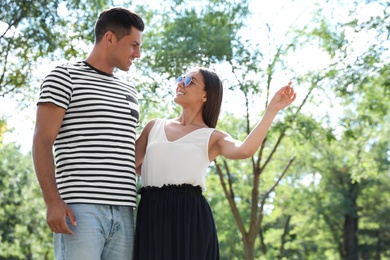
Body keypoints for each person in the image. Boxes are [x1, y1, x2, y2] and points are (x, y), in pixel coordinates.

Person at [133, 66, 297, 259]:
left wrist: (272, 110)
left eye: (189, 81)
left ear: (206, 96)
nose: (180, 83)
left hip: (190, 219)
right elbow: (129, 163)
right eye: (181, 78)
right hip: (151, 213)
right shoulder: (154, 126)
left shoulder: (212, 137)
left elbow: (245, 150)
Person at [32, 7, 144, 259]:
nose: (138, 54)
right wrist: (52, 202)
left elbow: (126, 150)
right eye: (133, 45)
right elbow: (42, 140)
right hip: (80, 209)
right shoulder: (64, 76)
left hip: (125, 211)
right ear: (110, 38)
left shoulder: (130, 92)